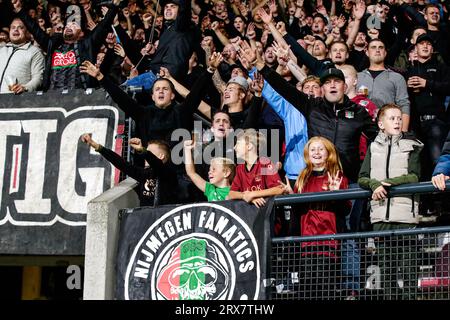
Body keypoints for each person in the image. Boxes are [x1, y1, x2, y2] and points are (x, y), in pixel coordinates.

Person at [358, 103, 423, 300]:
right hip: (380, 218)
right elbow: (362, 177)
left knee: (409, 271)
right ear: (380, 124)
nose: (397, 121)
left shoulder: (413, 145)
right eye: (392, 118)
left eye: (399, 118)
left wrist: (388, 184)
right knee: (387, 274)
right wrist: (374, 184)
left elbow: (414, 177)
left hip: (405, 217)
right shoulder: (373, 146)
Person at [283, 136, 350, 299]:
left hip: (328, 241)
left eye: (321, 149)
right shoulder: (303, 176)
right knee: (306, 288)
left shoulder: (337, 175)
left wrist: (337, 195)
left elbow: (345, 209)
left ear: (328, 153)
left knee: (325, 287)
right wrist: (291, 196)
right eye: (313, 149)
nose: (317, 153)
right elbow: (298, 211)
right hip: (306, 242)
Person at [12, 0, 120, 91]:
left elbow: (104, 25)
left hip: (80, 98)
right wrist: (19, 10)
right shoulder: (52, 45)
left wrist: (114, 6)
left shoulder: (88, 44)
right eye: (67, 24)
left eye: (73, 24)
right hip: (52, 98)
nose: (69, 26)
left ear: (81, 32)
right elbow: (34, 29)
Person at [80, 134, 176, 207]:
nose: (145, 155)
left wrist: (142, 150)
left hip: (164, 220)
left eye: (148, 151)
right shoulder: (144, 173)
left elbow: (156, 163)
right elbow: (121, 163)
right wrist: (96, 146)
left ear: (161, 156)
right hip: (147, 221)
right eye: (145, 150)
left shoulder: (168, 172)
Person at [357, 38, 410, 132]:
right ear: (367, 52)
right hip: (360, 127)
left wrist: (403, 132)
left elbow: (404, 104)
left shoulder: (397, 77)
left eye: (381, 47)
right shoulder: (357, 77)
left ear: (385, 53)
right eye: (373, 47)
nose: (377, 50)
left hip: (388, 126)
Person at [228, 129, 284, 208]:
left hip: (265, 214)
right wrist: (245, 196)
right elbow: (231, 194)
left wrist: (252, 194)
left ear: (249, 146)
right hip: (249, 215)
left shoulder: (265, 163)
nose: (234, 147)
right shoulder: (239, 168)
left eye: (238, 143)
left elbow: (279, 189)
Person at [0, 18, 44, 94]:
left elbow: (38, 78)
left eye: (20, 27)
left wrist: (25, 87)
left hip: (18, 100)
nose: (16, 30)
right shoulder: (2, 50)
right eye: (13, 27)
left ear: (27, 33)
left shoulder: (35, 52)